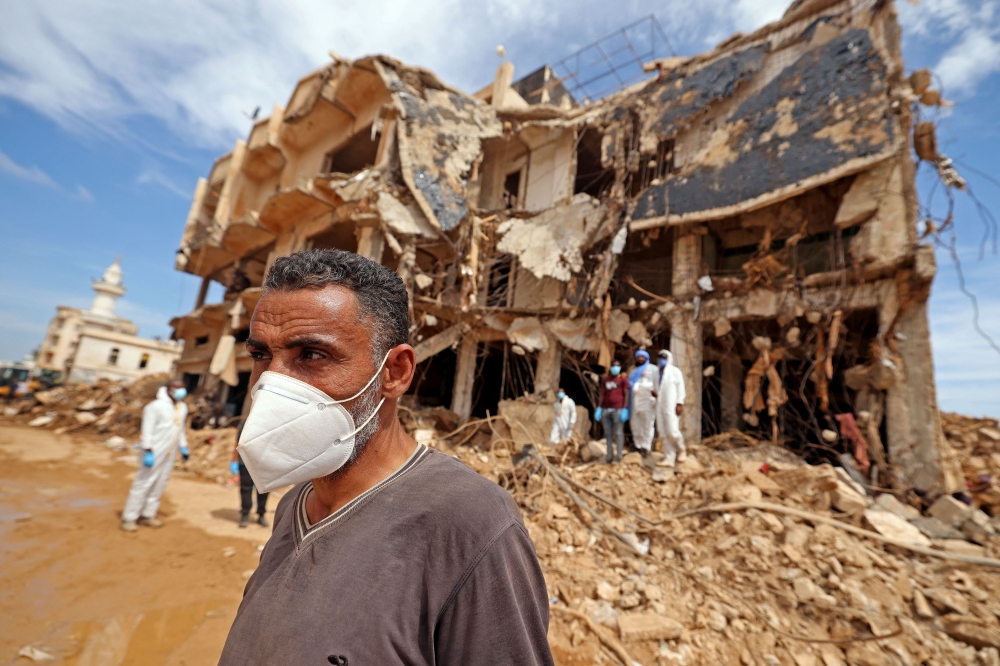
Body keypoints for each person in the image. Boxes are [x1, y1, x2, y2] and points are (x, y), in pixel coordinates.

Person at [218, 249, 552, 665]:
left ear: (394, 372)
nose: (273, 383)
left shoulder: (470, 523)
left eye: (312, 355)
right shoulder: (294, 505)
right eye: (262, 356)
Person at [120, 379, 189, 531]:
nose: (180, 391)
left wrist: (183, 447)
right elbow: (147, 431)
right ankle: (129, 517)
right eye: (177, 388)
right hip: (154, 451)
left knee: (160, 483)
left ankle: (148, 514)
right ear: (169, 389)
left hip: (170, 453)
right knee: (143, 483)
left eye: (183, 388)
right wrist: (148, 450)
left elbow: (181, 429)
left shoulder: (182, 407)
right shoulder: (155, 406)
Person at [655, 349, 687, 467]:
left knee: (672, 431)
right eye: (659, 357)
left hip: (671, 405)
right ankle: (669, 458)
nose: (661, 360)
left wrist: (679, 403)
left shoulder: (675, 372)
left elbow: (681, 388)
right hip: (660, 406)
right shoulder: (656, 373)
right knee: (663, 432)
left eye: (664, 357)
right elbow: (657, 388)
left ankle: (682, 449)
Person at [595, 361, 630, 463]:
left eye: (617, 366)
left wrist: (624, 408)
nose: (615, 367)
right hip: (606, 410)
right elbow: (602, 394)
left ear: (620, 368)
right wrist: (599, 408)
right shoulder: (605, 380)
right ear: (610, 368)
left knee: (618, 433)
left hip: (618, 409)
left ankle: (618, 456)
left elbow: (626, 394)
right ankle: (609, 456)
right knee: (608, 434)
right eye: (614, 366)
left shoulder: (622, 380)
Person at [231, 441, 269, 528]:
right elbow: (238, 442)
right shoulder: (244, 426)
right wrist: (234, 460)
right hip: (245, 462)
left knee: (264, 489)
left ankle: (261, 514)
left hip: (263, 462)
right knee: (245, 488)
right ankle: (245, 514)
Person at [628, 350, 658, 454]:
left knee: (647, 424)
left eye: (642, 356)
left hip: (648, 402)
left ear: (647, 357)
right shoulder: (633, 371)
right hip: (635, 401)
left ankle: (646, 446)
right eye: (638, 357)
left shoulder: (654, 369)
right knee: (635, 424)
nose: (640, 358)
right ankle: (638, 445)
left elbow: (658, 384)